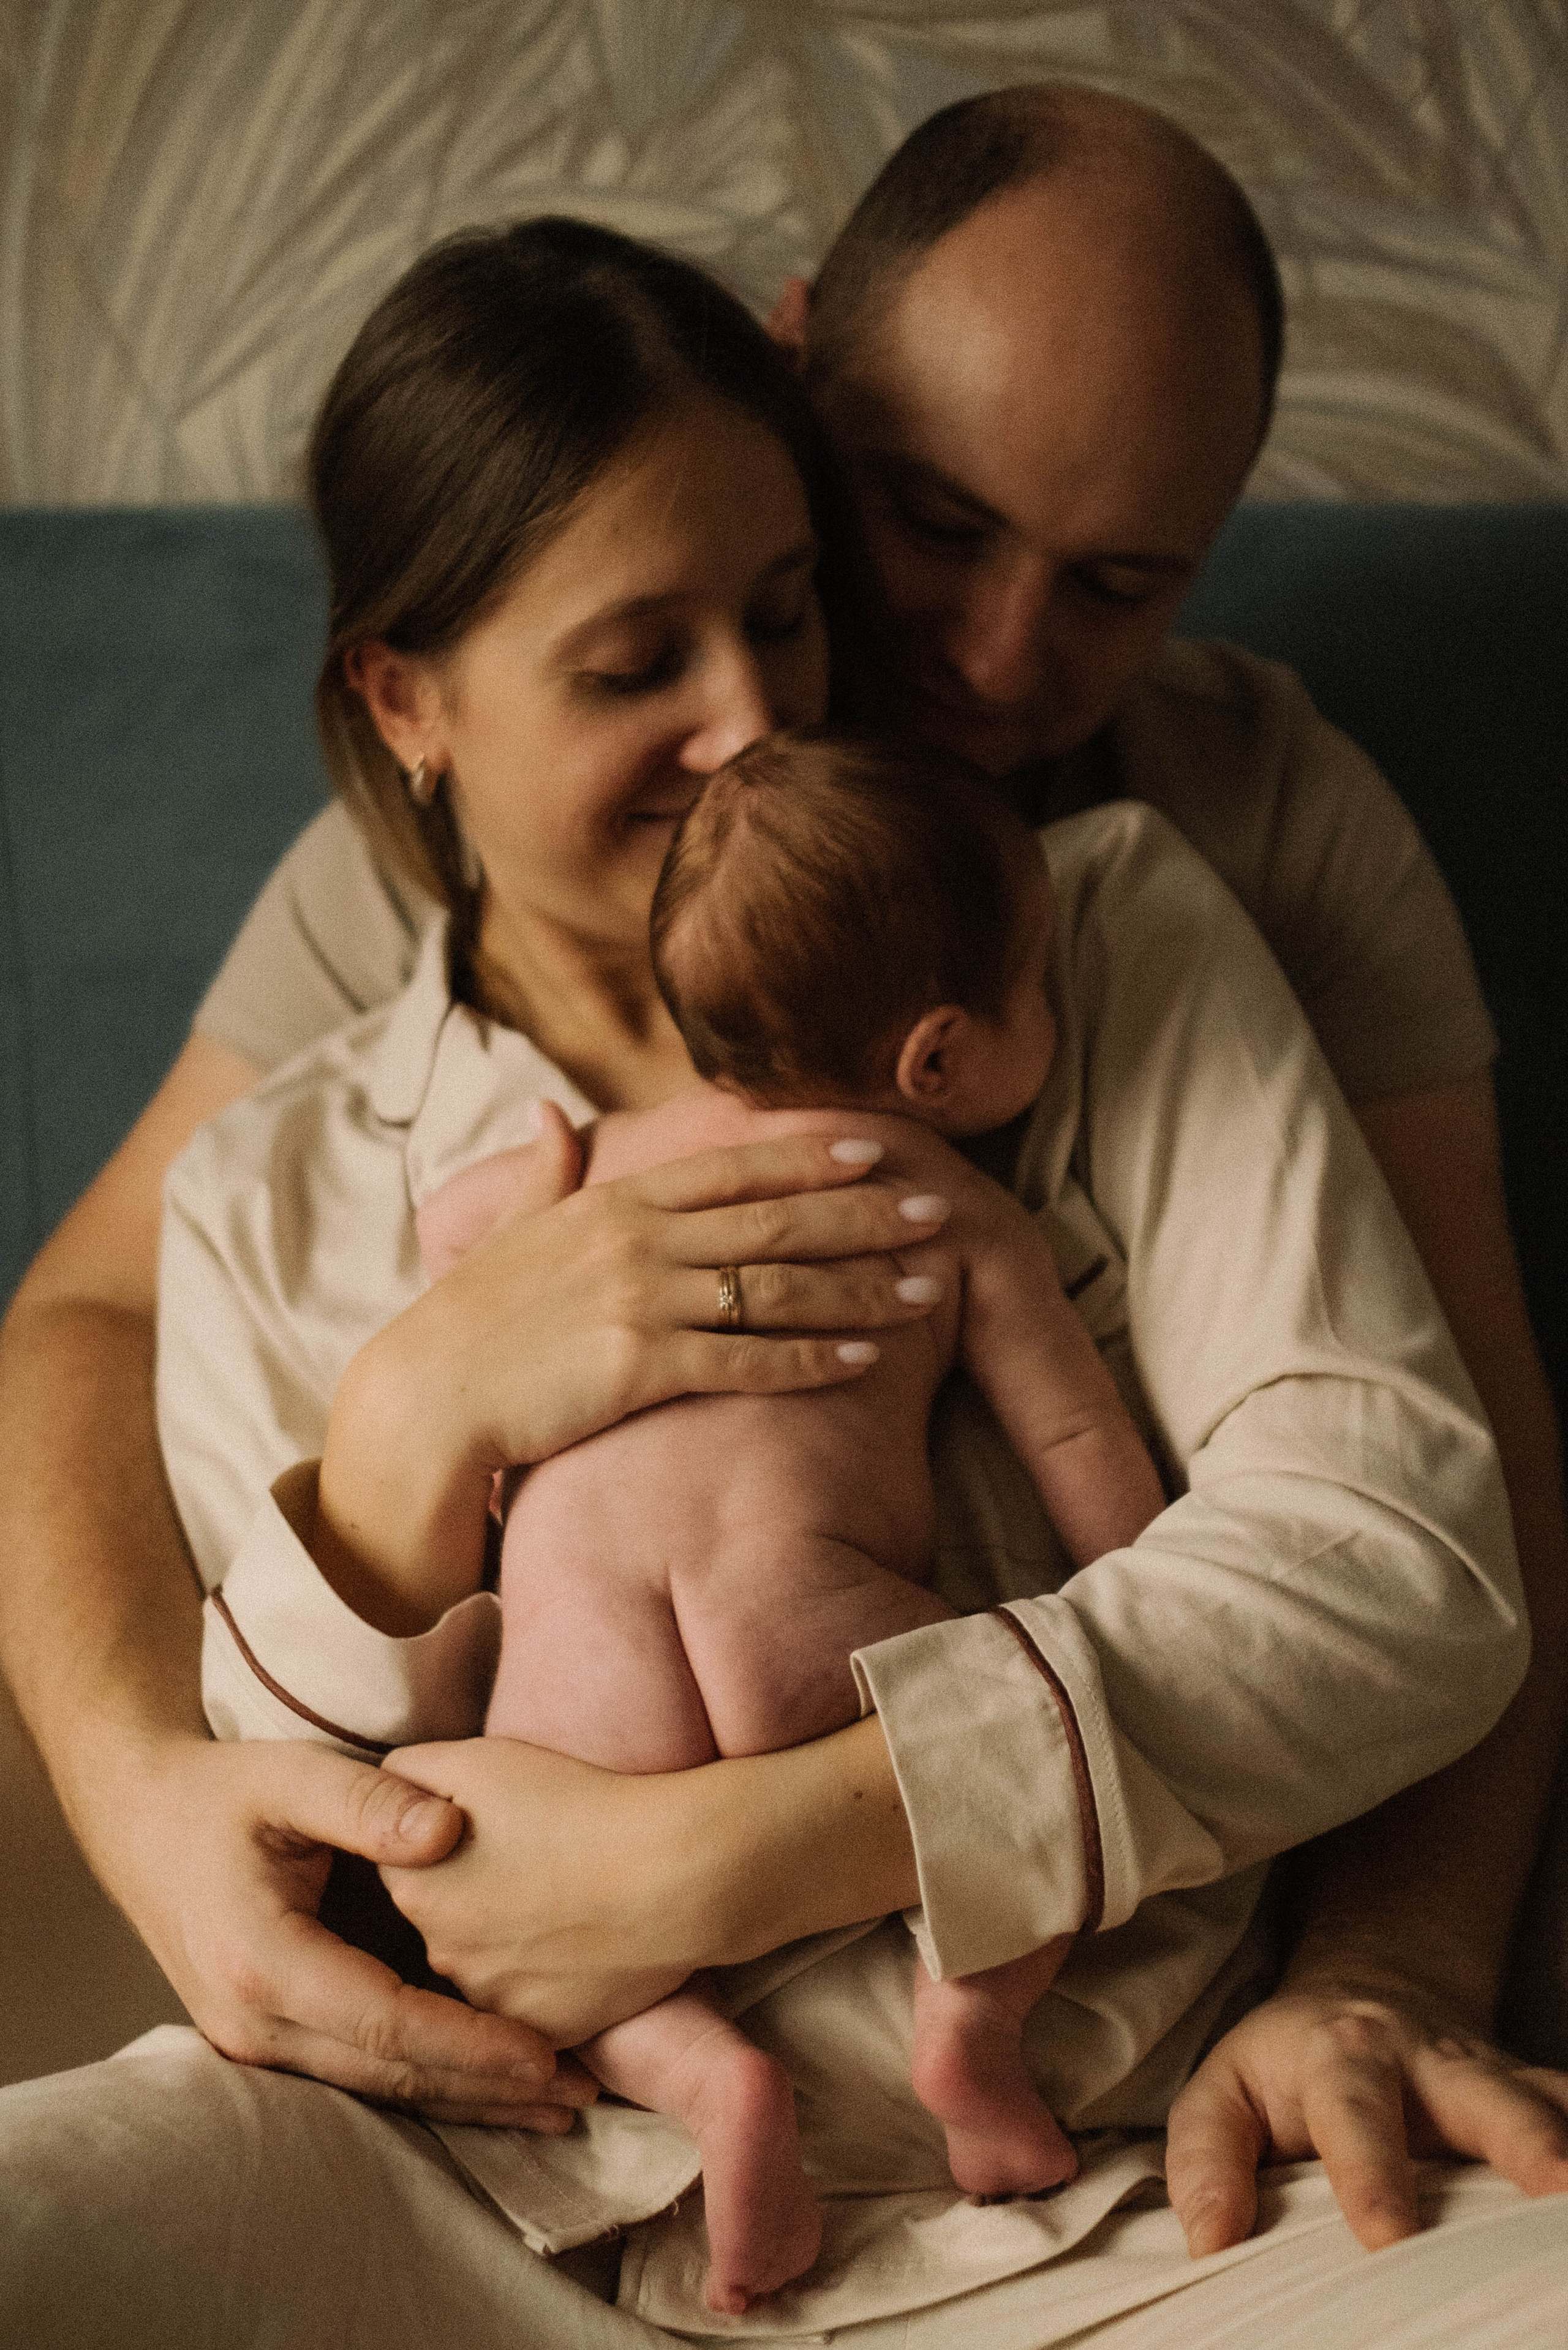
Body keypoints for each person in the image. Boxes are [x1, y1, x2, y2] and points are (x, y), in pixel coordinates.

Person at [0, 82, 1562, 2340]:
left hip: (1115, 2172)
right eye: (929, 527)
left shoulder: (1146, 895)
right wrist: (177, 1749)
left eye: (1116, 581)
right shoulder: (322, 1104)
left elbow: (1433, 1509)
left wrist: (1379, 1960)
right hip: (496, 2185)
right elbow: (92, 1341)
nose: (985, 665)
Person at [206, 729, 1166, 2313]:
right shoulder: (945, 1202)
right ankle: (972, 2021)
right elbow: (1075, 1438)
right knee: (1035, 1761)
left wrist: (533, 1186)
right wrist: (1133, 1583)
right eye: (1040, 992)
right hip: (810, 1618)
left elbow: (458, 1240)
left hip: (585, 1663)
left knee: (496, 1908)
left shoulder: (608, 1160)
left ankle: (715, 2089)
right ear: (938, 1060)